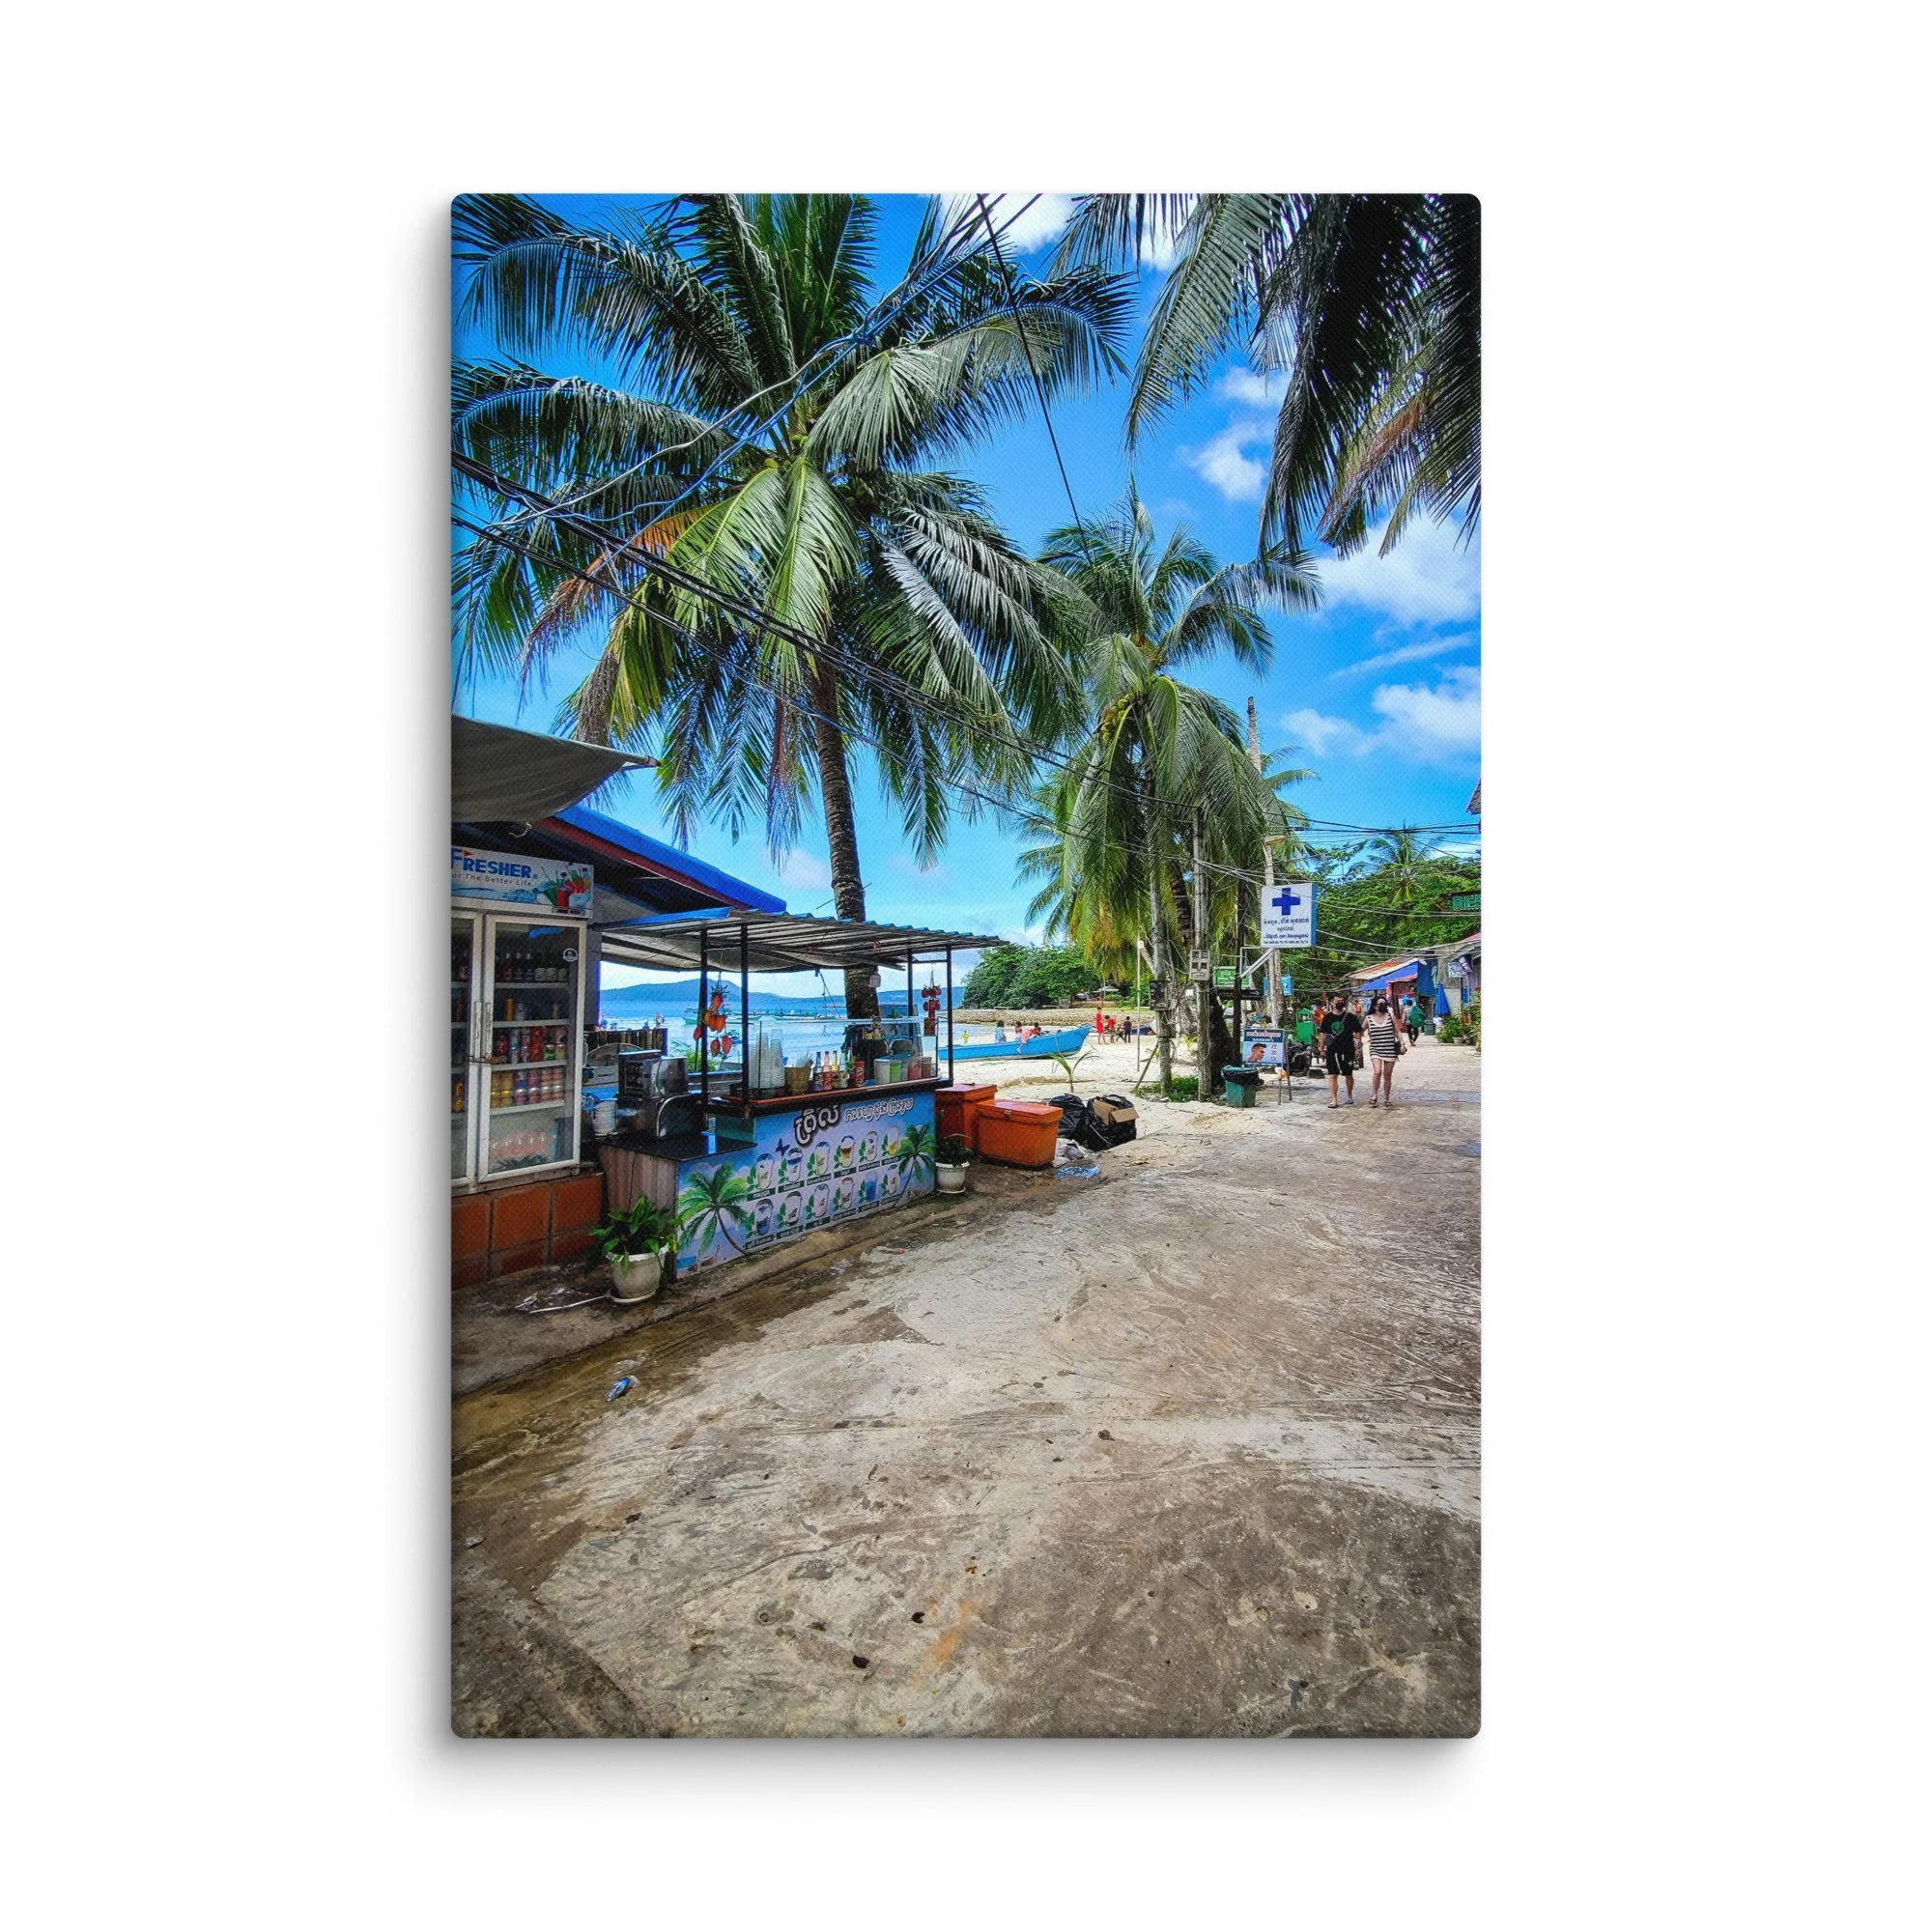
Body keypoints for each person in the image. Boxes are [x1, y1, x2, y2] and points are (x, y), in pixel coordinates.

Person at [1321, 993, 1362, 1108]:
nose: (1340, 1003)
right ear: (1332, 1003)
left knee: (1348, 1074)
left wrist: (1358, 1048)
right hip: (1332, 1050)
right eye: (1337, 1001)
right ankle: (1334, 1100)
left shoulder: (1350, 1017)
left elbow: (1358, 1032)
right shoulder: (1327, 1018)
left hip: (1347, 1049)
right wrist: (1321, 1049)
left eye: (1341, 1001)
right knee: (1332, 1075)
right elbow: (1323, 1034)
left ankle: (1349, 1095)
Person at [1365, 994, 1406, 1107]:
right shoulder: (1368, 1019)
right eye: (1380, 1004)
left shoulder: (1390, 1016)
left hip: (1390, 1049)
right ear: (1374, 1006)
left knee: (1387, 1075)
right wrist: (1355, 1039)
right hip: (1375, 1049)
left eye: (1384, 1004)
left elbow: (1397, 1031)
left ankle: (1387, 1098)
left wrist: (1402, 1043)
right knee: (1377, 1071)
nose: (1383, 1006)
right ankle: (1374, 1095)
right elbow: (1359, 1030)